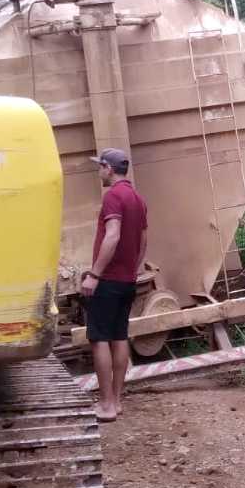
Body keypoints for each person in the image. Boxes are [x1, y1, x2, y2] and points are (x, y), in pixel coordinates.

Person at [81, 147, 147, 422]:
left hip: (107, 281)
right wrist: (131, 269)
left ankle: (106, 405)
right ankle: (116, 401)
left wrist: (94, 275)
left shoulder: (113, 197)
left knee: (99, 339)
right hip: (127, 280)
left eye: (100, 167)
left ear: (109, 168)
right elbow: (143, 242)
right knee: (119, 337)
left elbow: (112, 236)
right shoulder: (138, 199)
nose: (99, 172)